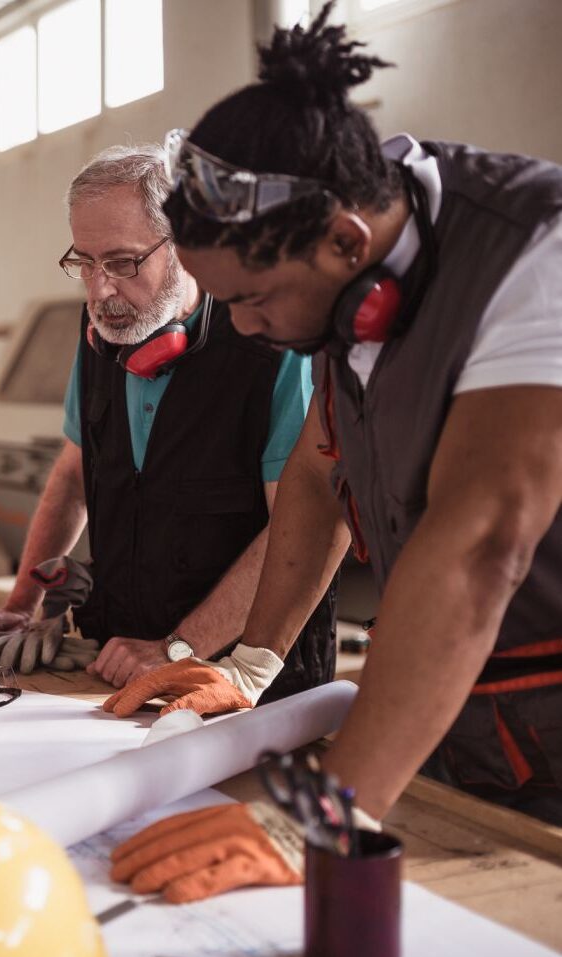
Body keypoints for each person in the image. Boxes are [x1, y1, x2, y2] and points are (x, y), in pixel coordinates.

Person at [108, 7, 562, 906]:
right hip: (461, 729)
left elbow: (482, 549)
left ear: (346, 241)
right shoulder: (346, 274)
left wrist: (312, 816)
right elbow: (321, 470)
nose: (239, 326)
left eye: (255, 299)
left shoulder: (535, 254)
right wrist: (251, 665)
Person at [0, 146, 335, 702]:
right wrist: (20, 605)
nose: (99, 290)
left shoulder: (273, 343)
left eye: (122, 262)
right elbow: (74, 475)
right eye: (85, 262)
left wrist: (178, 646)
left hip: (245, 683)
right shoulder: (100, 331)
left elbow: (300, 528)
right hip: (119, 663)